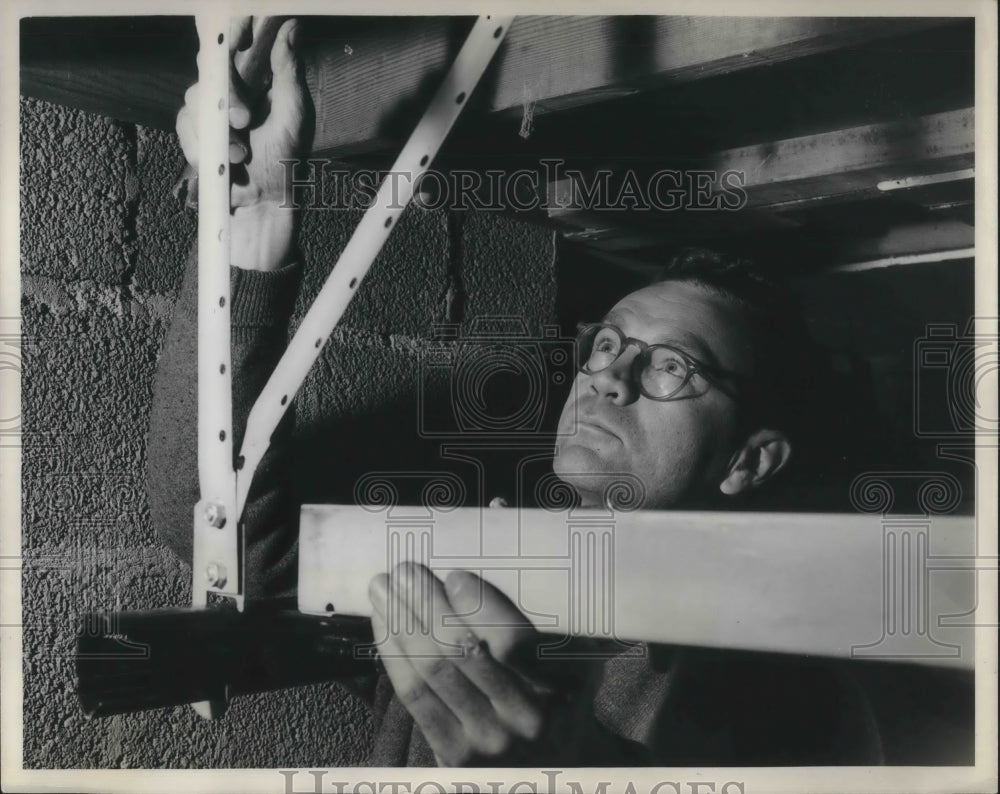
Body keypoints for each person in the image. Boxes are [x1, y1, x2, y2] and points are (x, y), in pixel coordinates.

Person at [150, 18, 888, 766]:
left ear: (749, 461)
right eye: (608, 344)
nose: (609, 375)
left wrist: (573, 767)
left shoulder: (801, 704)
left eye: (672, 366)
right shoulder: (484, 569)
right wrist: (257, 218)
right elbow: (222, 534)